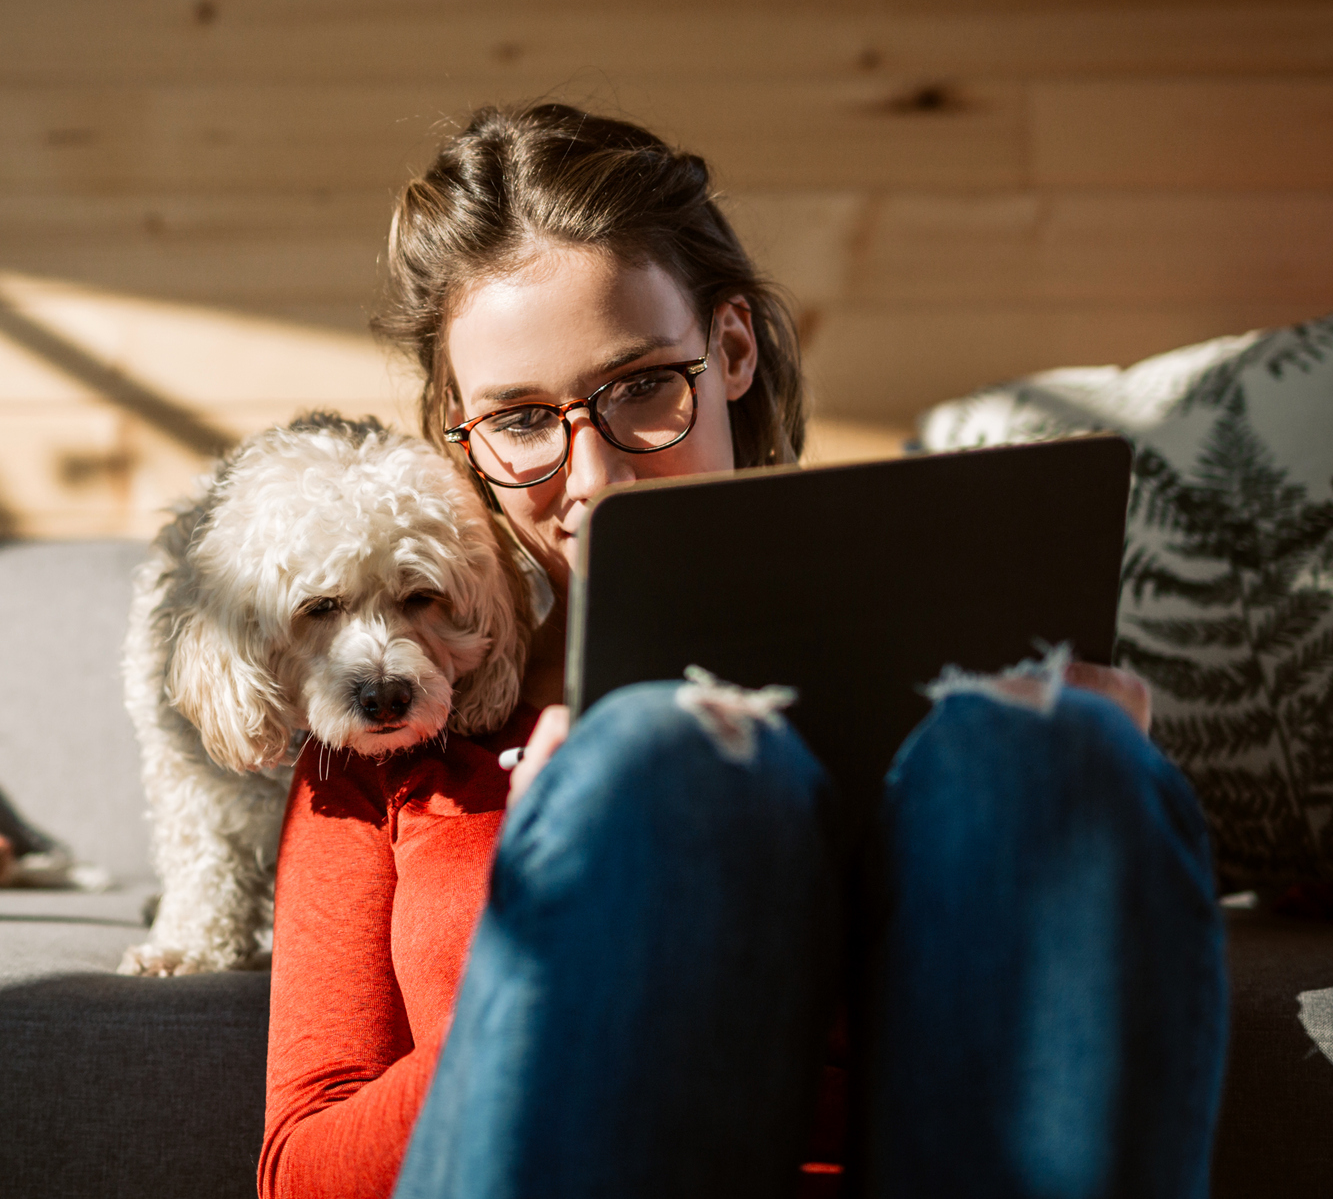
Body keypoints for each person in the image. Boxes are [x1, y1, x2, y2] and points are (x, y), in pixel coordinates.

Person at [257, 103, 1227, 1199]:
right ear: (460, 435)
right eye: (522, 420)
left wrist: (1092, 794)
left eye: (639, 389)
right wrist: (557, 931)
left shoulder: (950, 698)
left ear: (728, 350)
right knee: (665, 766)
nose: (595, 480)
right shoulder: (386, 742)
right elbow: (301, 1171)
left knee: (1056, 758)